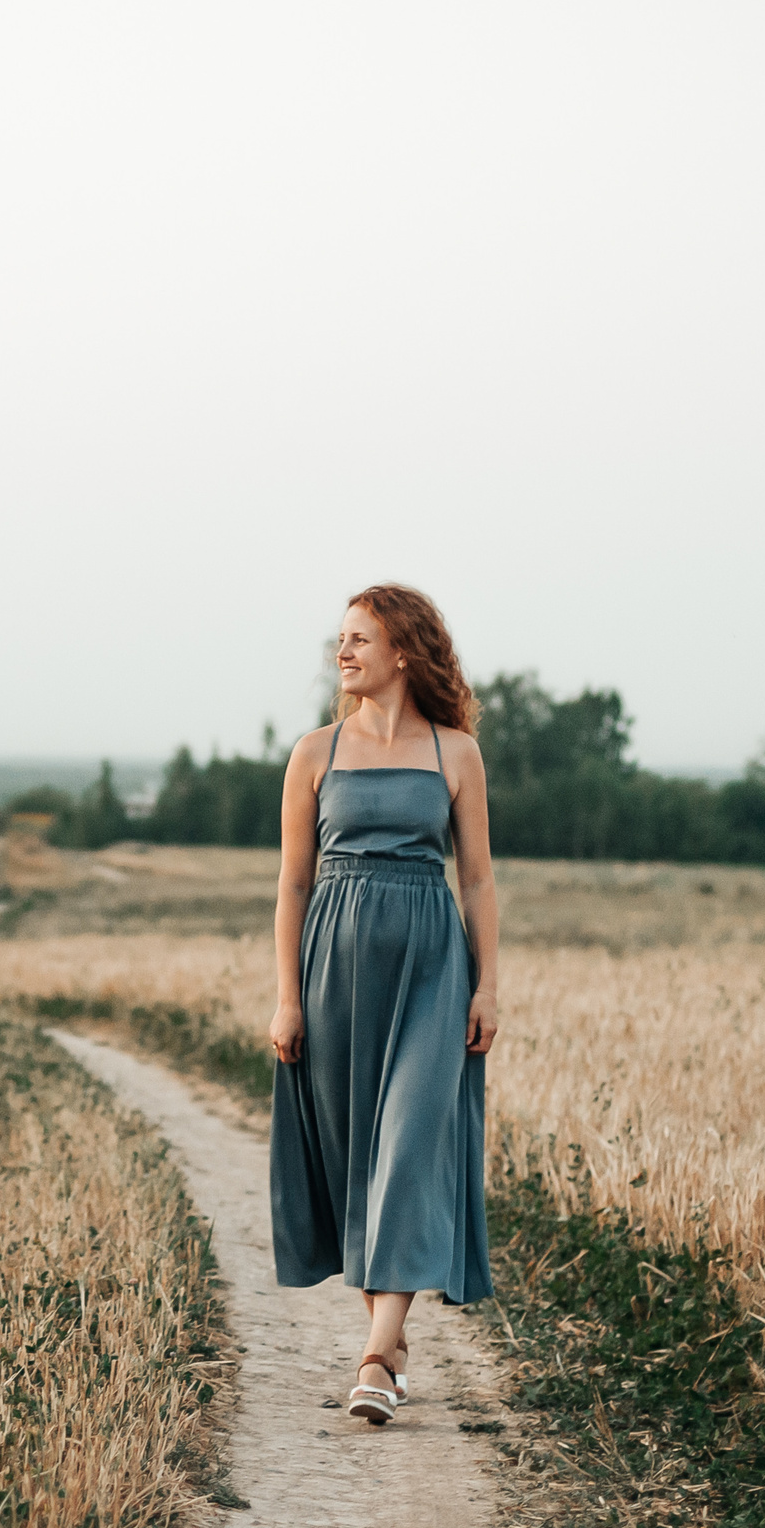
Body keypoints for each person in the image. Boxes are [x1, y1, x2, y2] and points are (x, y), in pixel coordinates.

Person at [267, 583, 500, 1426]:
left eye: (360, 638)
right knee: (354, 1156)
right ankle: (391, 1341)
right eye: (341, 638)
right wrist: (286, 997)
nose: (344, 651)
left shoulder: (455, 754)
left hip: (434, 965)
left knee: (406, 1145)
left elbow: (475, 877)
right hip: (334, 966)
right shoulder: (314, 752)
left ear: (404, 650)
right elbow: (294, 881)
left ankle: (373, 1354)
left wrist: (488, 983)